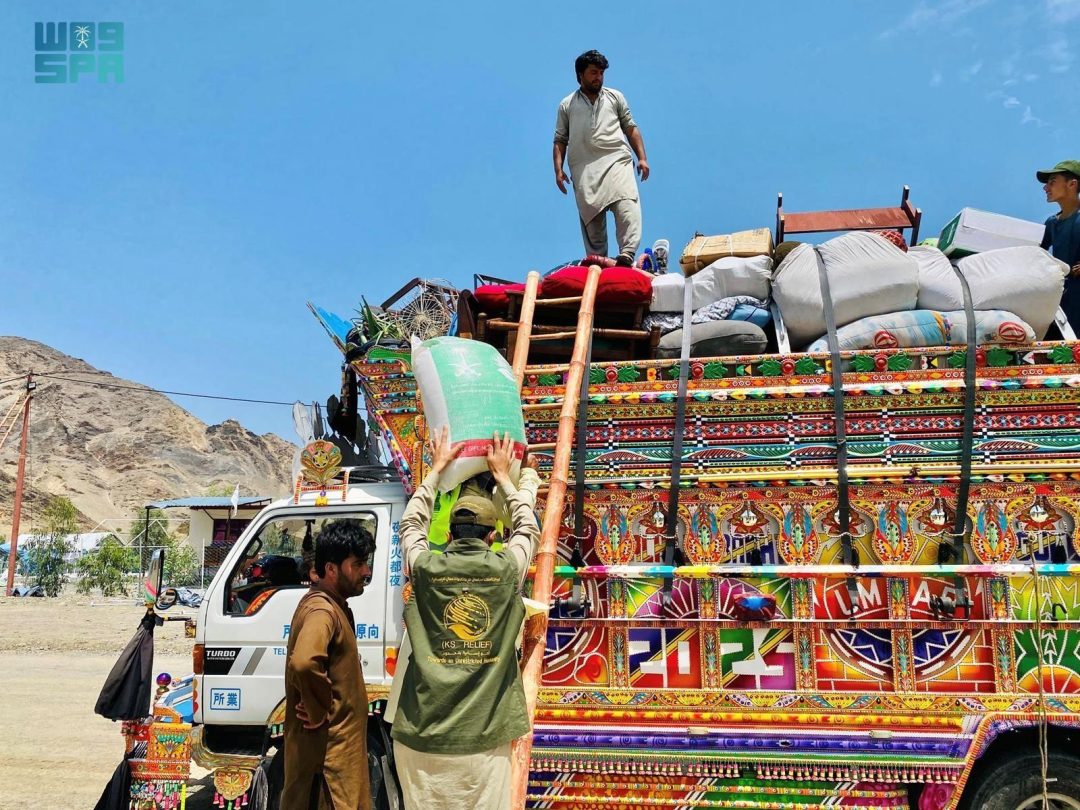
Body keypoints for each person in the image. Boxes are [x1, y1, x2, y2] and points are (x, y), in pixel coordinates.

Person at [391, 429, 540, 810]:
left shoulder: (424, 567)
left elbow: (410, 526)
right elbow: (528, 528)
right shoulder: (507, 569)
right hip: (483, 740)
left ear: (449, 534)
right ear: (492, 536)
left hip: (421, 736)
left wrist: (436, 470)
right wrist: (505, 477)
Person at [283, 520, 376, 810]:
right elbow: (304, 662)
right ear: (331, 569)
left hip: (337, 762)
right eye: (358, 564)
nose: (366, 571)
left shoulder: (333, 605)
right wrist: (317, 707)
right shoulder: (322, 610)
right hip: (327, 768)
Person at [554, 49, 649, 266]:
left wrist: (642, 158)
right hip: (584, 169)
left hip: (616, 160)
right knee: (592, 221)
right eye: (593, 73)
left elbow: (630, 127)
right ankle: (599, 262)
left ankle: (627, 254)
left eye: (601, 73)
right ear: (580, 75)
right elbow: (560, 139)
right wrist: (558, 171)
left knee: (627, 205)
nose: (598, 77)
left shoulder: (615, 97)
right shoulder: (567, 105)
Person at [1038, 160, 1080, 331]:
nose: (1045, 188)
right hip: (1061, 302)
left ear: (1072, 184)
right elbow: (1035, 254)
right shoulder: (1051, 224)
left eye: (1052, 182)